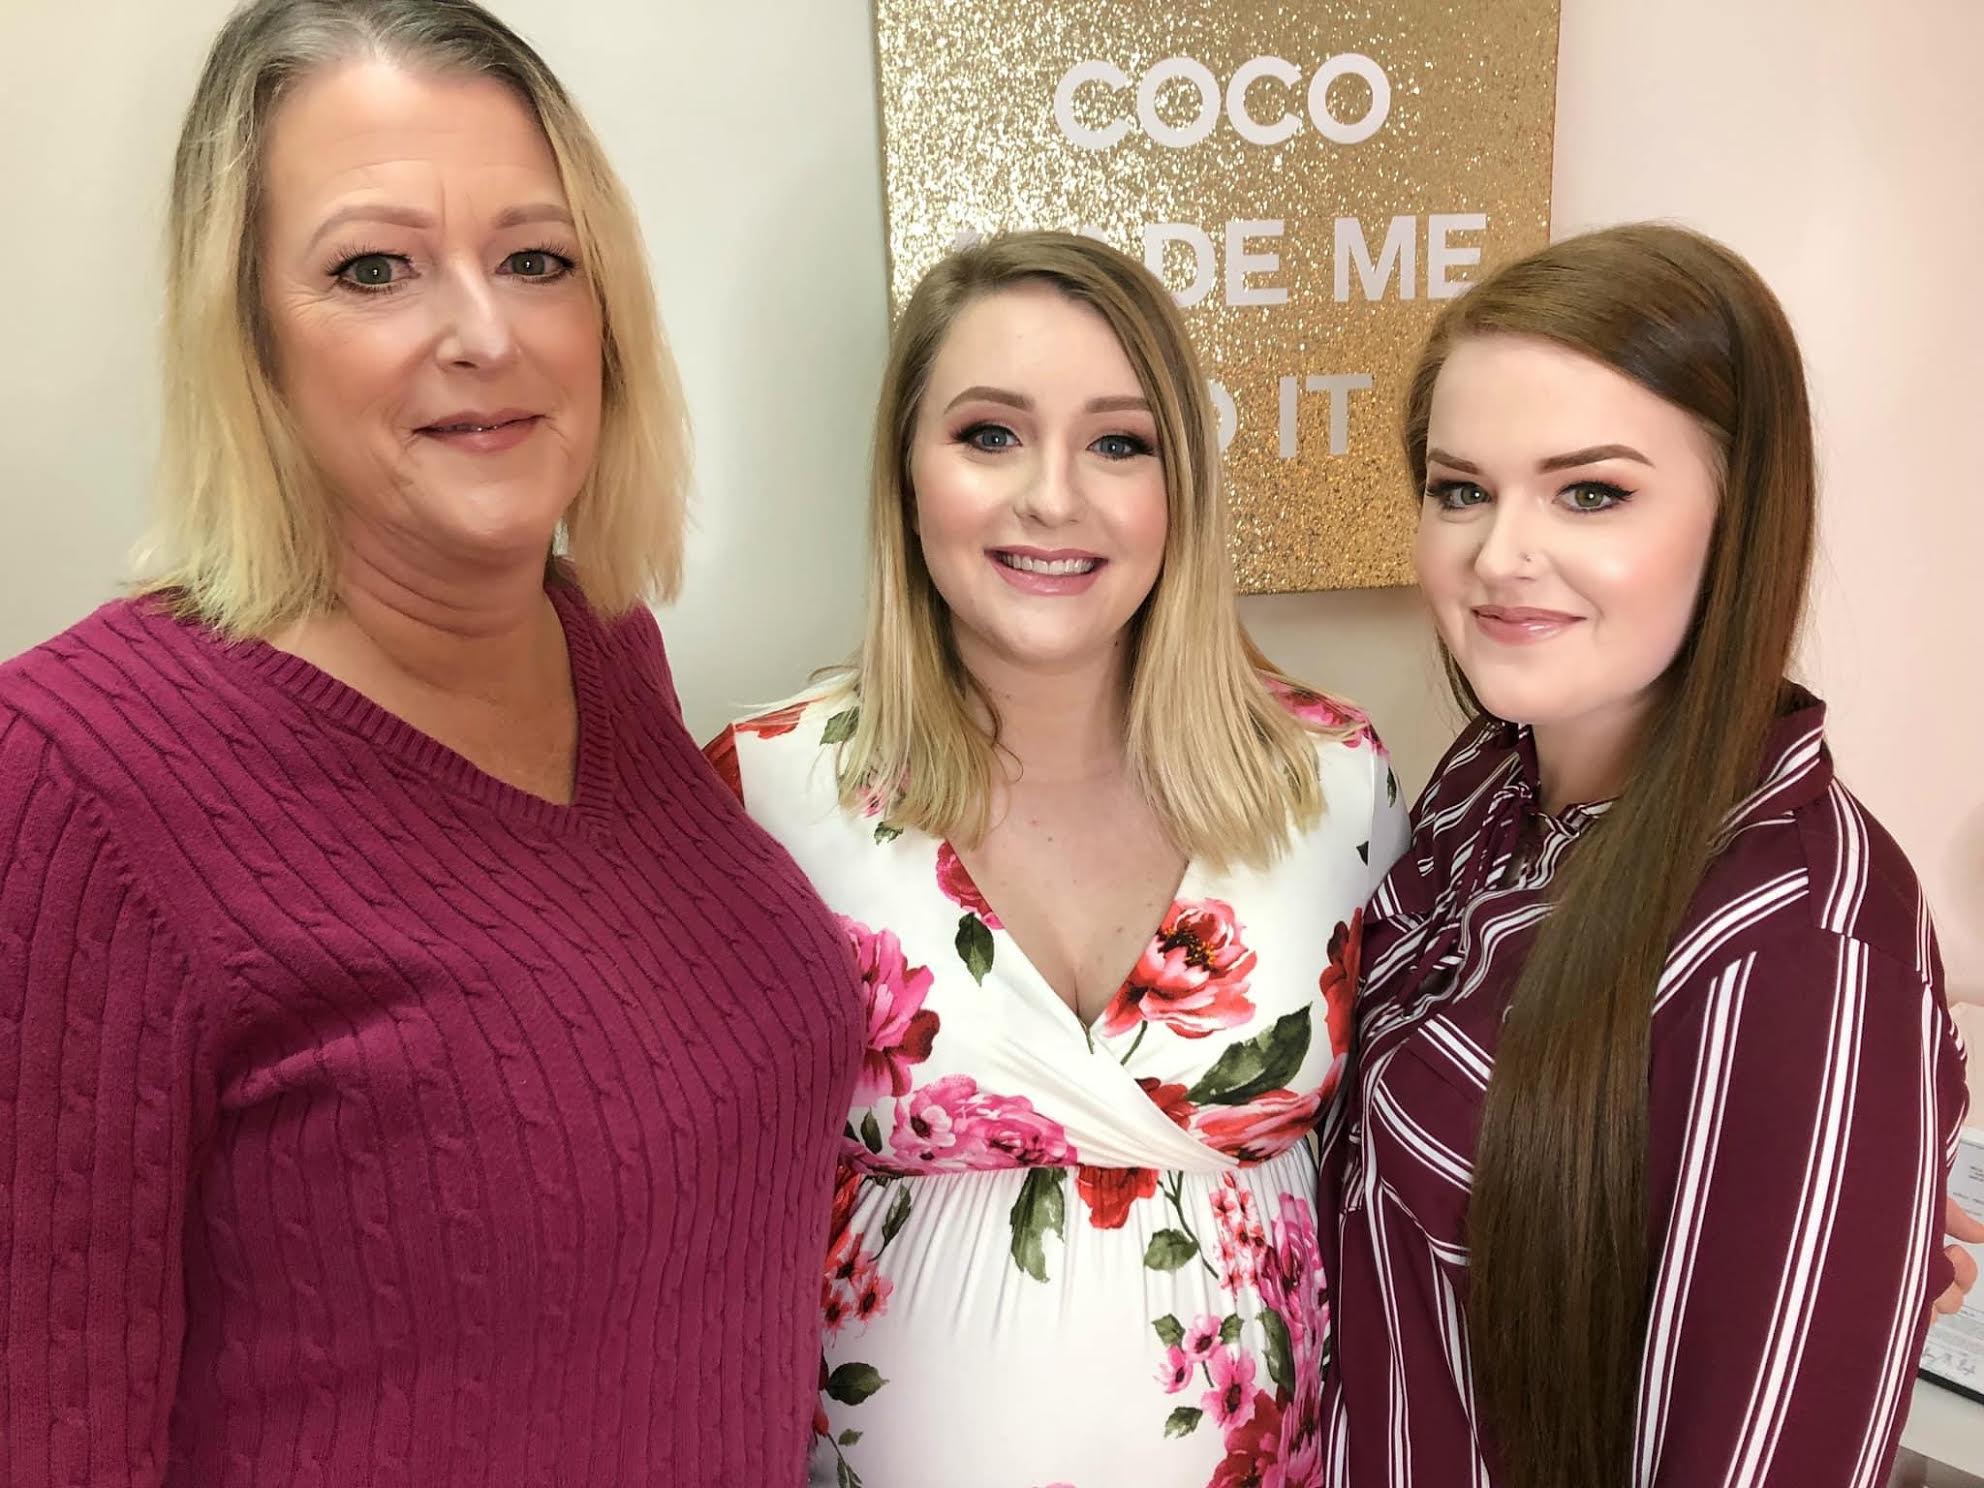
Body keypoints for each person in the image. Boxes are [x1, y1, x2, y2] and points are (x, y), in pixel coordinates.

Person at [0, 3, 859, 1483]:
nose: (485, 332)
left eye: (538, 259)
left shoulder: (612, 655)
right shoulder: (70, 778)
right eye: (372, 269)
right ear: (252, 339)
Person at [706, 230, 1405, 1487]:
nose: (1052, 498)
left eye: (1118, 442)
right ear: (906, 474)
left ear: (1177, 485)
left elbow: (1390, 1193)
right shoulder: (764, 792)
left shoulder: (1333, 782)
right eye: (989, 434)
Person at [1315, 222, 1971, 1488]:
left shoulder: (1795, 947)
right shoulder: (1486, 781)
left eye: (1591, 492)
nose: (1500, 554)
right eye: (1461, 490)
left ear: (1739, 514)